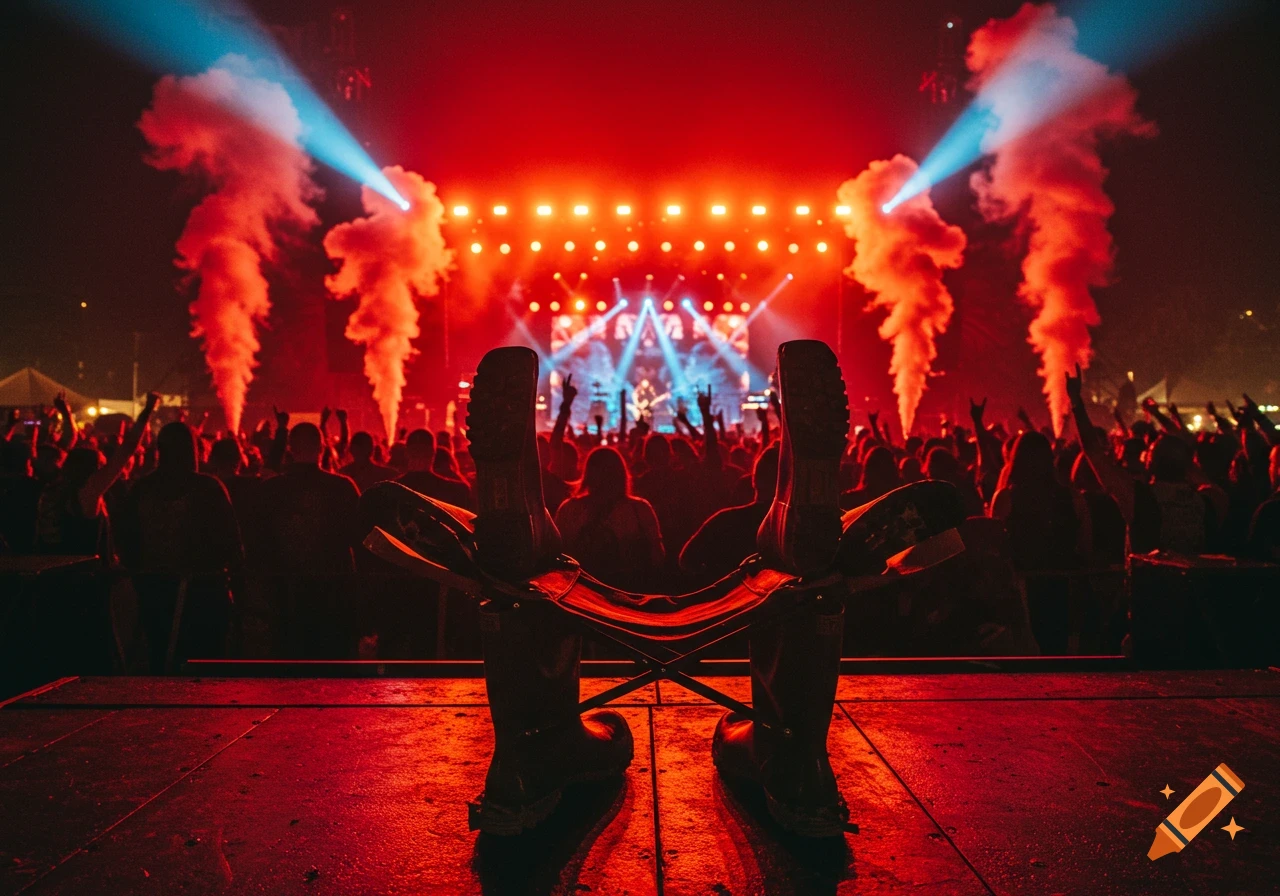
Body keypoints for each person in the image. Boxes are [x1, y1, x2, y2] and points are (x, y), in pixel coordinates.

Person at [117, 422, 242, 672]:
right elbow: (232, 543)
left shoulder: (141, 489)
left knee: (161, 659)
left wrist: (141, 578)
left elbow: (126, 541)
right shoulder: (208, 487)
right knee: (206, 667)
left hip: (156, 591)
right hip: (205, 593)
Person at [34, 392, 158, 559]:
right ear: (91, 470)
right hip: (84, 576)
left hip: (54, 574)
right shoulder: (87, 492)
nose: (105, 470)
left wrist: (66, 413)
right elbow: (127, 449)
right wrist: (148, 410)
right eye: (101, 465)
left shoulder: (52, 489)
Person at [554, 445, 664, 592]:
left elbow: (557, 558)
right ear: (621, 474)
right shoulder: (639, 509)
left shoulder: (570, 509)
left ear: (588, 474)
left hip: (581, 595)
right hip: (628, 593)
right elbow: (658, 556)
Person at [678, 443, 779, 584]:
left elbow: (686, 560)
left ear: (754, 479)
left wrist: (712, 582)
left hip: (725, 602)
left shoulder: (723, 520)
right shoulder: (787, 528)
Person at [397, 429, 472, 509]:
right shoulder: (457, 490)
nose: (420, 455)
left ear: (406, 453)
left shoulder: (391, 489)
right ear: (433, 453)